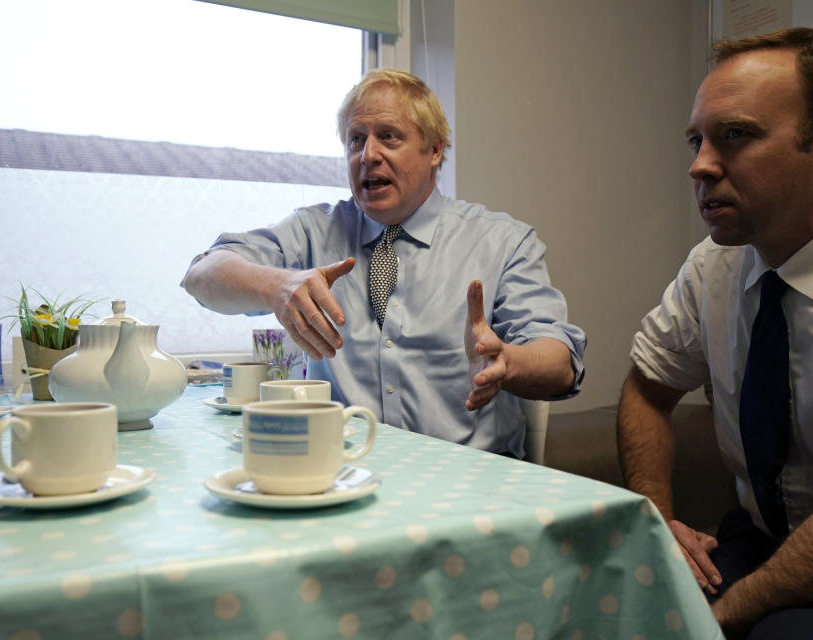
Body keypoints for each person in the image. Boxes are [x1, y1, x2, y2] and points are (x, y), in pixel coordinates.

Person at [183, 68, 585, 458]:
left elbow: (560, 362)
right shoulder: (314, 230)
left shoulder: (503, 241)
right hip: (342, 475)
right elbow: (201, 275)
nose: (367, 155)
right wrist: (274, 286)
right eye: (355, 140)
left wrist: (507, 362)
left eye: (388, 137)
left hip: (467, 481)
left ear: (435, 149)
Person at [617, 28, 813, 639]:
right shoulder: (715, 265)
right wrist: (659, 520)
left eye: (737, 135)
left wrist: (719, 615)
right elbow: (648, 388)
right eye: (697, 140)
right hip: (759, 539)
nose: (699, 165)